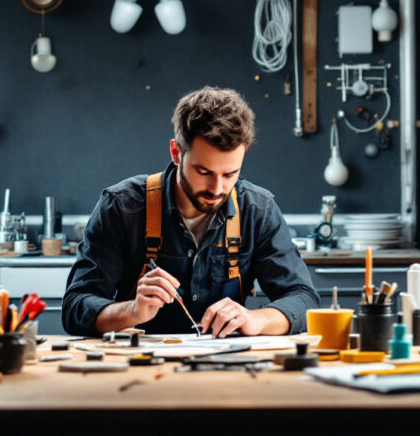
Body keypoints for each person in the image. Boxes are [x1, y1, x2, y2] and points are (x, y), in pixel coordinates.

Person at [63, 86, 319, 337]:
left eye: (230, 174)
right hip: (142, 367)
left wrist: (256, 319)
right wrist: (132, 311)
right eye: (204, 172)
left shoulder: (258, 210)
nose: (217, 189)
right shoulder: (122, 208)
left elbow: (303, 299)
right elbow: (75, 307)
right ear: (176, 152)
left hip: (227, 367)